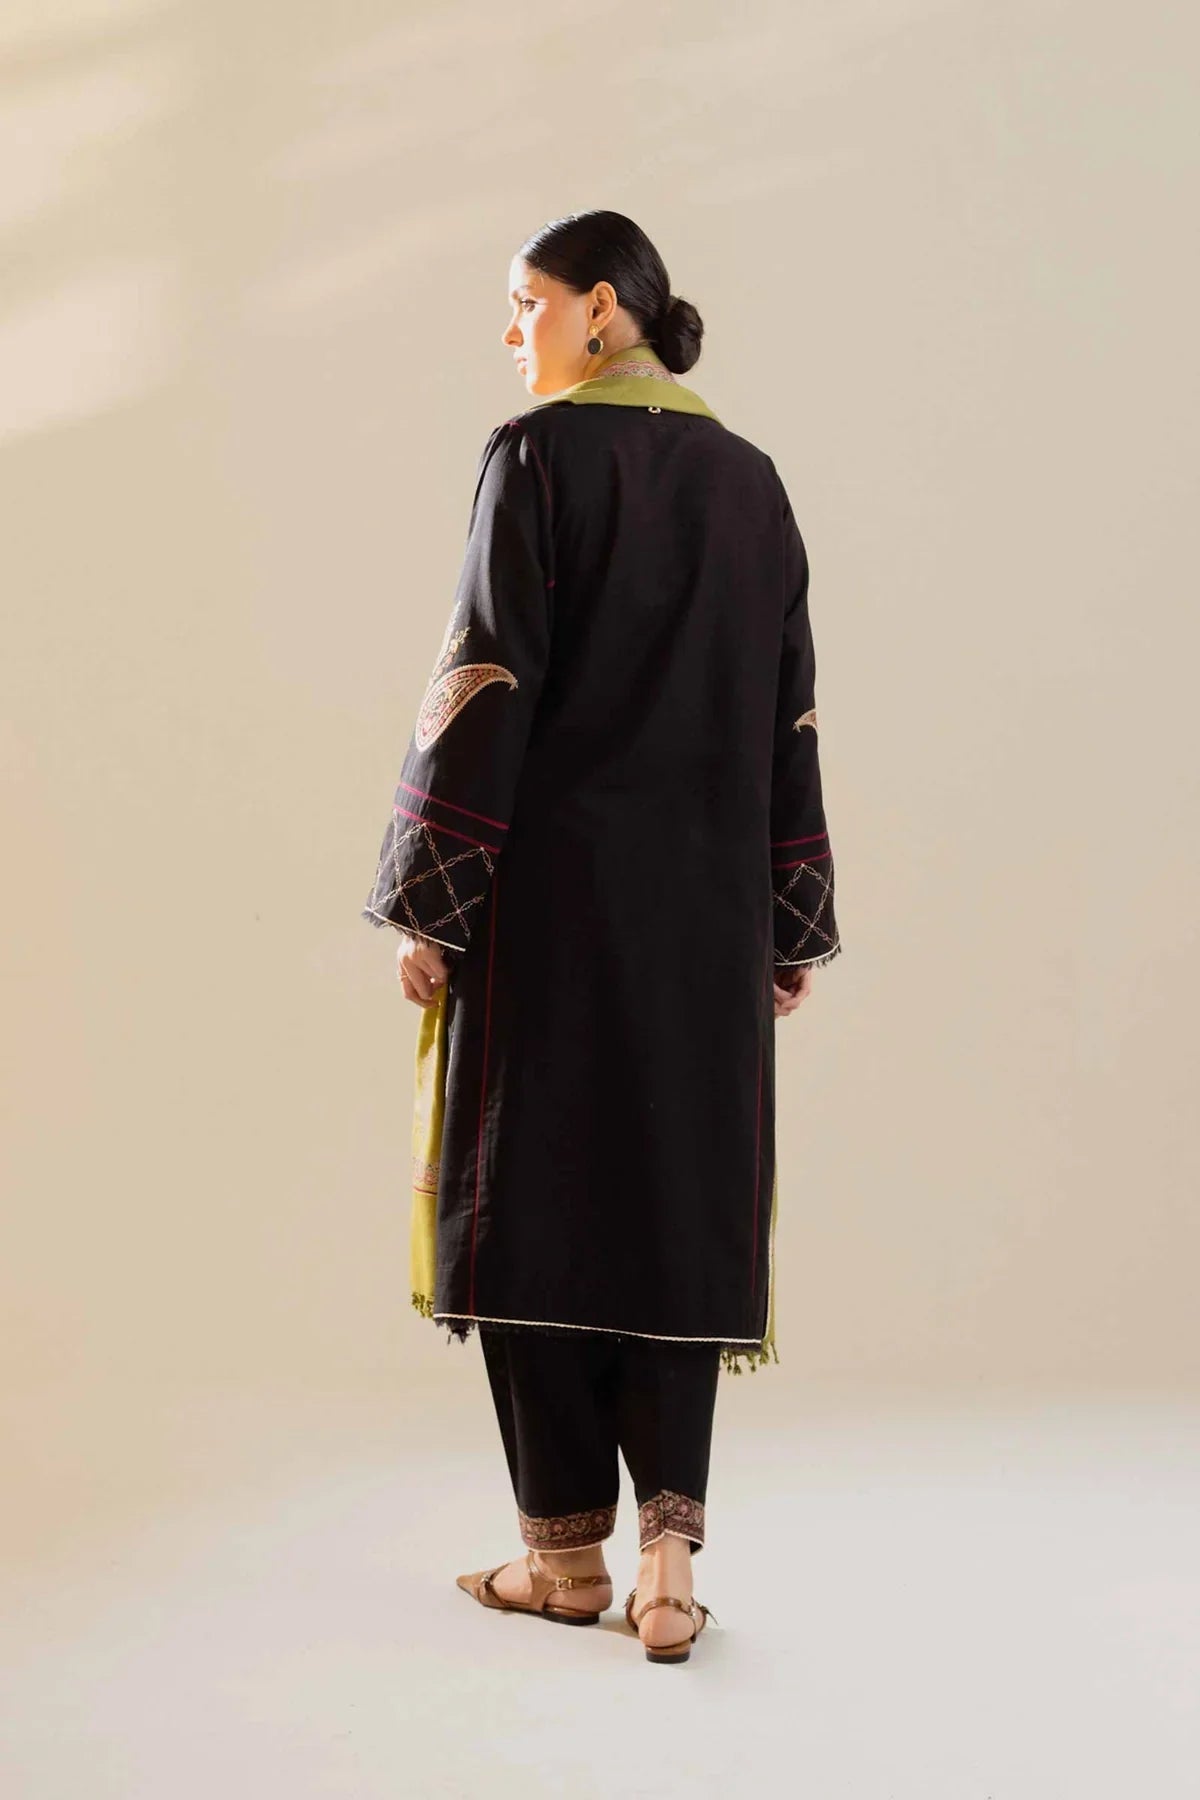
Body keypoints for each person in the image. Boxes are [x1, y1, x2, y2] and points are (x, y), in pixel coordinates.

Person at [360, 210, 842, 1663]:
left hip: (550, 918)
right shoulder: (753, 482)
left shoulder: (536, 458)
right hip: (702, 926)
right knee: (676, 1204)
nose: (512, 331)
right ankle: (669, 1569)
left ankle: (562, 1560)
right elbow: (790, 712)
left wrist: (431, 897)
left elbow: (483, 675)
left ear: (602, 310)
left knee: (536, 1207)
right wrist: (787, 918)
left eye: (528, 302)